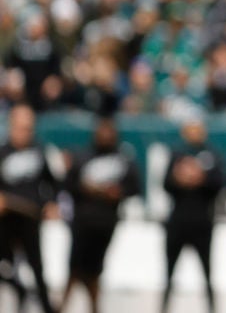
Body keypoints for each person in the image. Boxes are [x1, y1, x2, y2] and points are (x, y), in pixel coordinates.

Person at [60, 116, 141, 313]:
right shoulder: (82, 156)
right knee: (75, 266)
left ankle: (93, 306)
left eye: (109, 131)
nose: (105, 135)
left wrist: (118, 192)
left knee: (95, 269)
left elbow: (134, 187)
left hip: (106, 223)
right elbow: (68, 185)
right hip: (82, 221)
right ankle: (64, 305)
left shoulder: (123, 159)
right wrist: (86, 189)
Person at [161, 118, 225, 313]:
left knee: (207, 271)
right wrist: (179, 178)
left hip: (202, 221)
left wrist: (200, 177)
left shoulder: (212, 154)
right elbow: (165, 184)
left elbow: (220, 184)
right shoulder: (177, 153)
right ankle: (163, 306)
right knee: (169, 271)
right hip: (178, 221)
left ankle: (212, 307)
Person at [0, 104, 58, 313]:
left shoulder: (39, 151)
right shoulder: (2, 152)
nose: (24, 132)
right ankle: (19, 290)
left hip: (30, 218)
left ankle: (46, 307)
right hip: (5, 220)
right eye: (20, 127)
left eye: (28, 128)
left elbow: (52, 184)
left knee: (37, 268)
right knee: (5, 266)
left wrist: (51, 203)